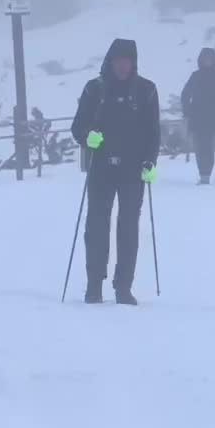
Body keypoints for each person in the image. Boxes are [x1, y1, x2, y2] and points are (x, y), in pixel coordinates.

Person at [71, 38, 161, 306]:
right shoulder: (94, 89)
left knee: (128, 227)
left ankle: (123, 287)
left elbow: (153, 132)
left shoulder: (147, 90)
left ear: (133, 62)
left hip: (134, 169)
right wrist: (89, 137)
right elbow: (78, 127)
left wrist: (150, 161)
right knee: (97, 225)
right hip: (101, 166)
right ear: (110, 61)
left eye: (127, 60)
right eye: (118, 60)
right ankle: (93, 285)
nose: (123, 65)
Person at [180, 47, 215, 184]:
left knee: (209, 147)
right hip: (197, 117)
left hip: (213, 117)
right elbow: (185, 94)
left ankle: (206, 175)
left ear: (214, 60)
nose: (207, 61)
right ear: (201, 60)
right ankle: (203, 174)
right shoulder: (195, 76)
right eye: (205, 58)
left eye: (210, 58)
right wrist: (187, 111)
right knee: (200, 147)